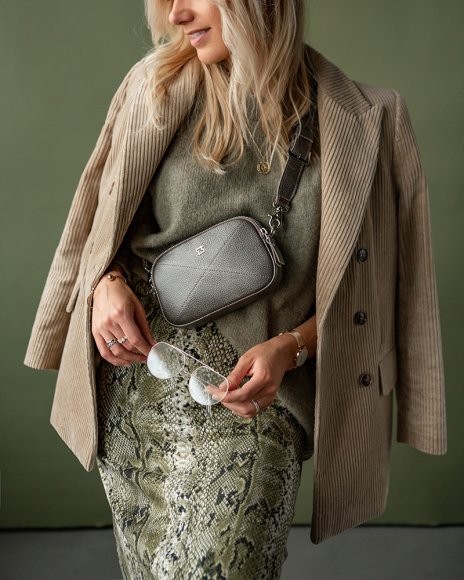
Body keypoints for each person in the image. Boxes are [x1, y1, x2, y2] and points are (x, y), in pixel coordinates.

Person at [25, 0, 447, 578]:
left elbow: (377, 299)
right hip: (138, 379)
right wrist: (107, 285)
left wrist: (291, 348)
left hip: (256, 399)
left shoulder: (369, 118)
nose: (176, 15)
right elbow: (100, 226)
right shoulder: (155, 85)